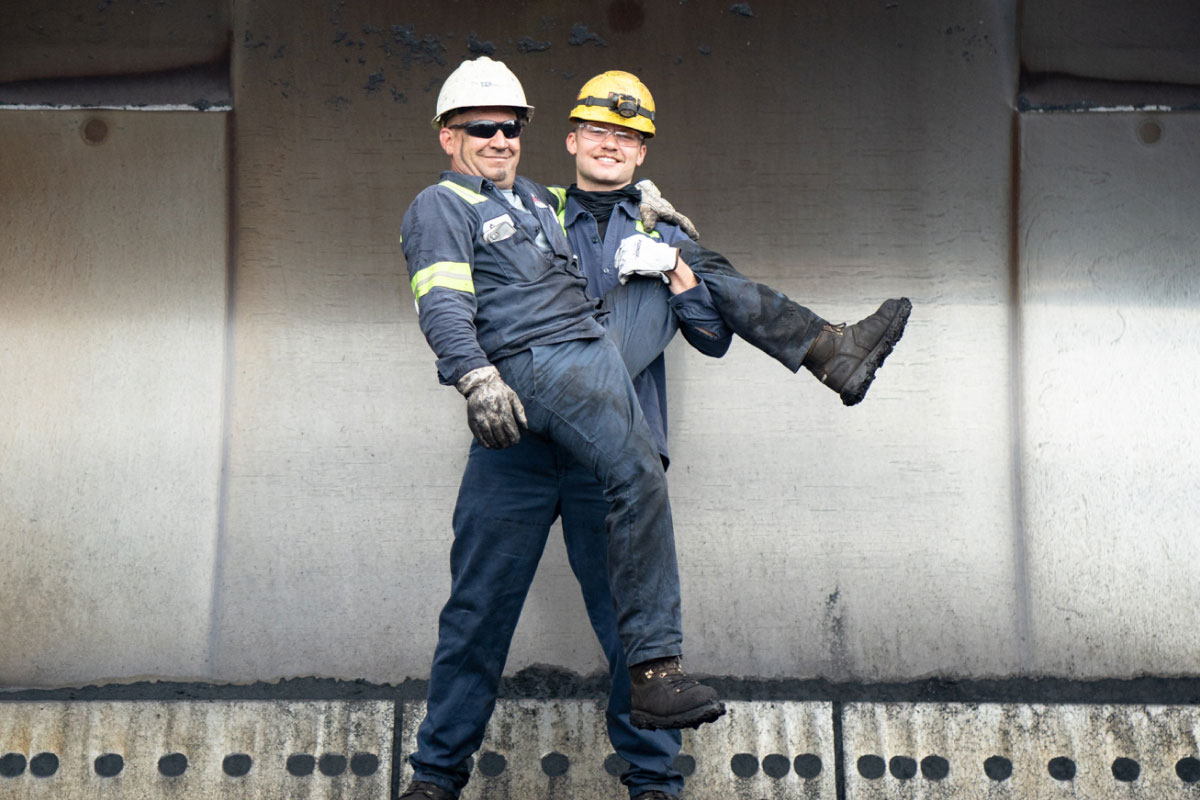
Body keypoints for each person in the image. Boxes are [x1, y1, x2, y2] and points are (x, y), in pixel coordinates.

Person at [398, 57, 727, 800]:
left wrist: (680, 264)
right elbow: (451, 290)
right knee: (476, 612)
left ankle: (653, 784)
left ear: (643, 152)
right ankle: (435, 780)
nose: (498, 138)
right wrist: (475, 377)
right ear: (572, 139)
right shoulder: (533, 209)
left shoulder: (653, 223)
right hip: (515, 445)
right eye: (597, 131)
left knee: (627, 622)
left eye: (627, 136)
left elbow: (710, 334)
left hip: (604, 454)